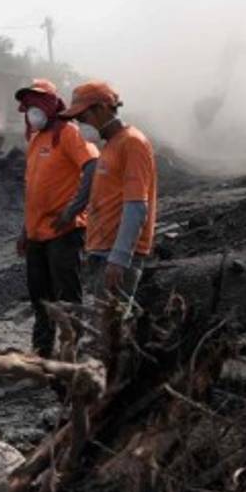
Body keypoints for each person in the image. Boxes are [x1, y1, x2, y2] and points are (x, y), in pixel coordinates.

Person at [15, 78, 99, 358]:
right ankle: (41, 353)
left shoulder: (68, 133)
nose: (31, 111)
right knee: (40, 300)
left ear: (51, 105)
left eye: (36, 104)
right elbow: (33, 189)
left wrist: (72, 210)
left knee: (67, 299)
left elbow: (93, 166)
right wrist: (25, 229)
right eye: (27, 106)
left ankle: (70, 354)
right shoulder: (36, 139)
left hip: (64, 232)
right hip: (37, 233)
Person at [60, 81, 158, 317]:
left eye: (83, 117)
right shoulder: (112, 145)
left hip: (116, 256)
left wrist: (120, 257)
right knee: (105, 329)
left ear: (103, 108)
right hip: (103, 251)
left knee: (109, 333)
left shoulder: (132, 143)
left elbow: (136, 207)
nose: (80, 124)